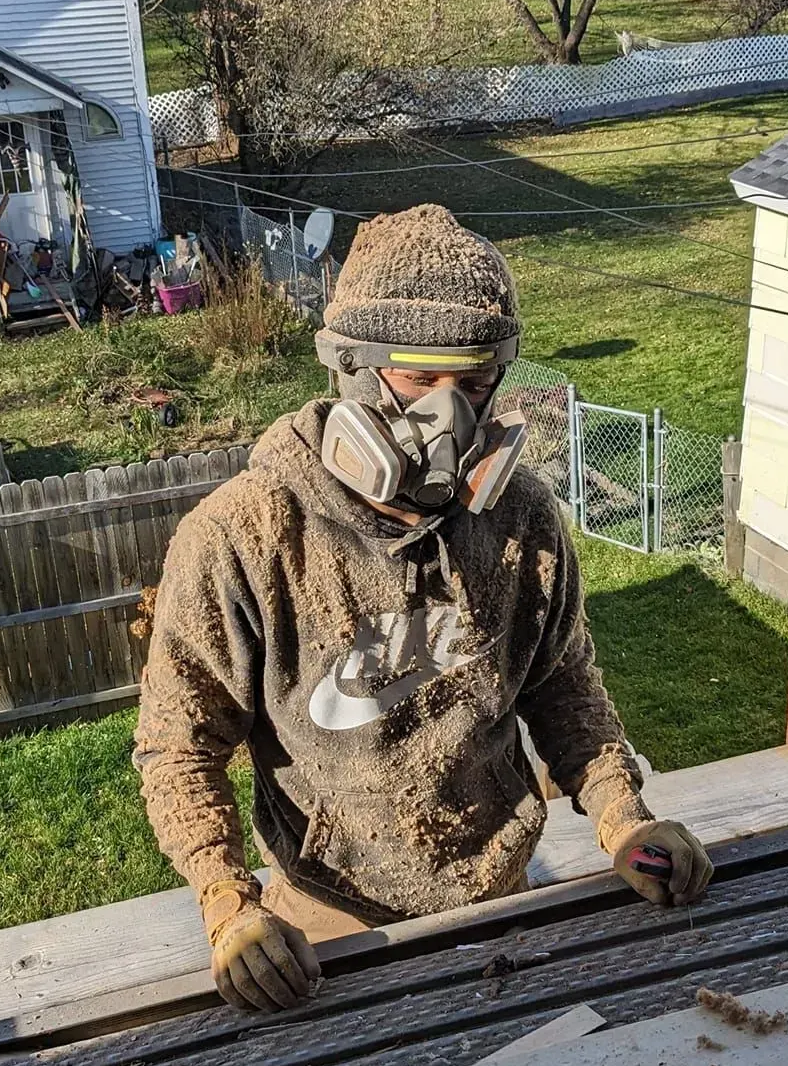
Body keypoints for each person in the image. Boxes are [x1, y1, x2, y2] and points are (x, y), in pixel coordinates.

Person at [135, 204, 712, 1013]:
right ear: (351, 369)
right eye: (418, 381)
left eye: (476, 384)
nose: (451, 418)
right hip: (328, 919)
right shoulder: (246, 535)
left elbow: (562, 688)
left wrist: (625, 818)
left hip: (502, 890)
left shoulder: (521, 520)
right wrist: (229, 906)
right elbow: (177, 750)